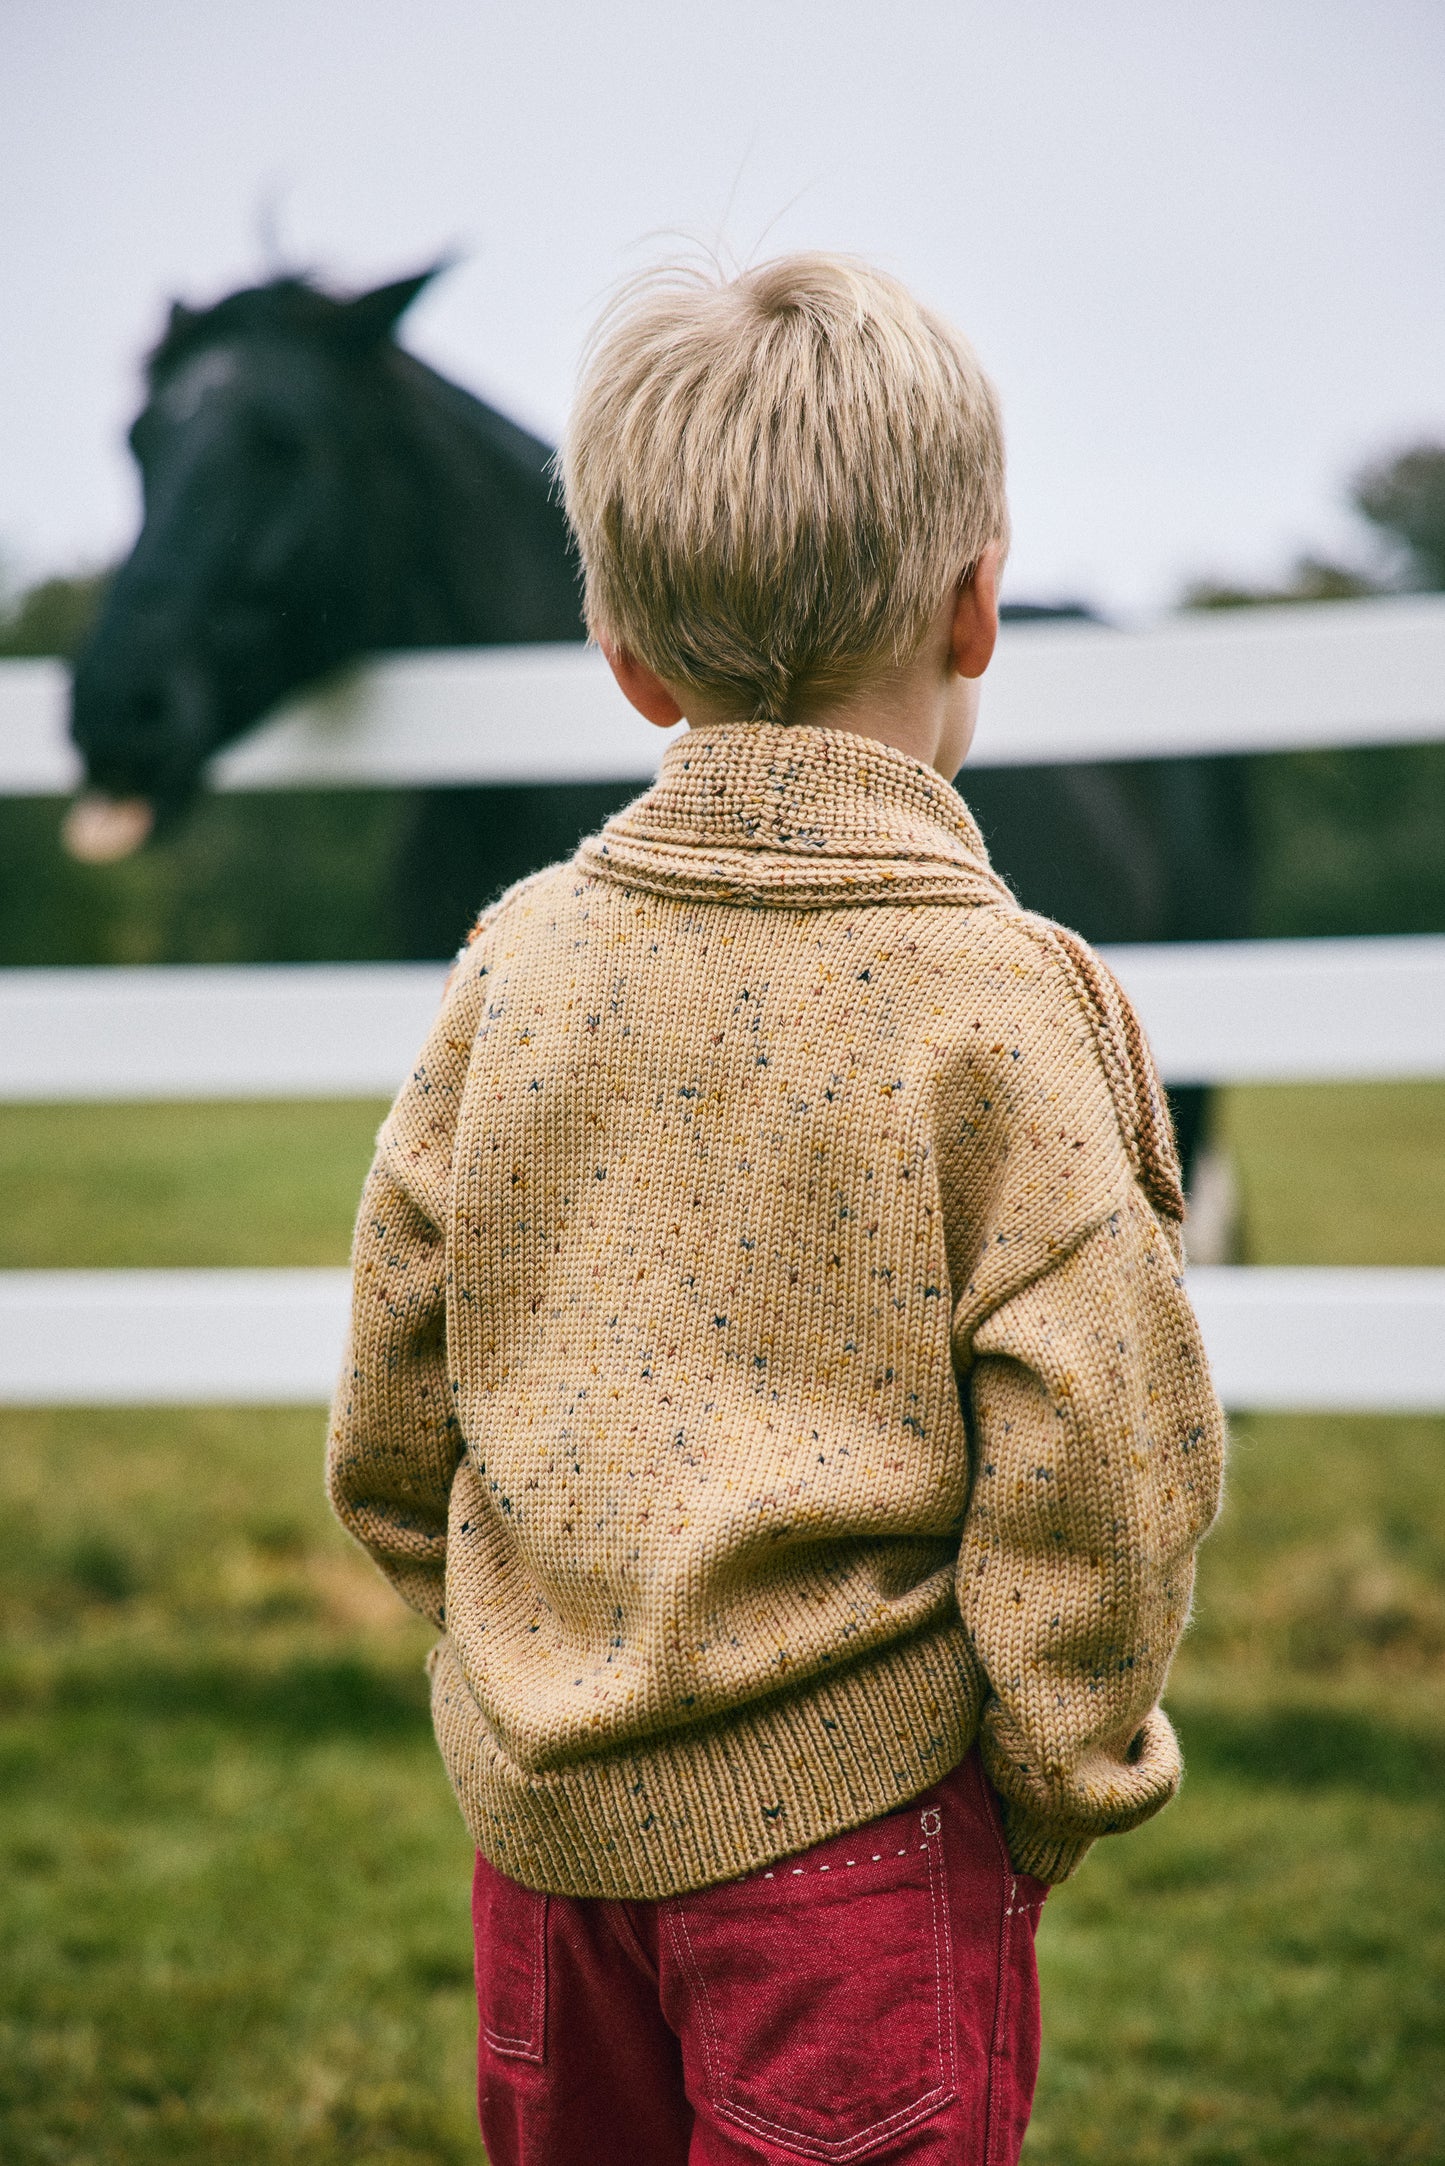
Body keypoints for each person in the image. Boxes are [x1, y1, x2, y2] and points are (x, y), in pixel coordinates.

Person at [327, 254, 1226, 2165]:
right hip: (868, 1865)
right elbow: (1105, 1453)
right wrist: (1052, 1771)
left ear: (624, 656)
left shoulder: (514, 965)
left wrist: (526, 1664)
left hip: (540, 1852)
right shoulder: (1006, 995)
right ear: (978, 606)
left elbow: (396, 1402)